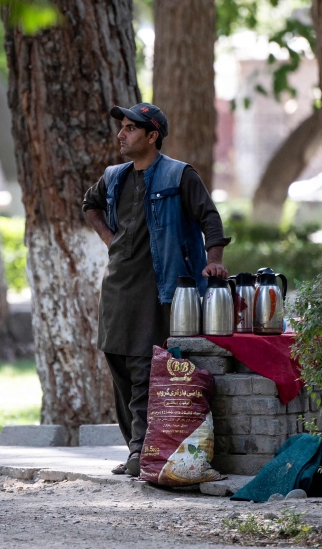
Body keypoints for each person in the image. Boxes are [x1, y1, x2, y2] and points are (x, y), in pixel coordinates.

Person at [82, 102, 230, 476]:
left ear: (152, 136)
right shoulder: (114, 176)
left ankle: (141, 453)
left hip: (161, 287)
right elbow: (90, 204)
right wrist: (110, 239)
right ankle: (136, 447)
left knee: (145, 366)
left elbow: (209, 218)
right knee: (115, 358)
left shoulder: (180, 175)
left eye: (131, 128)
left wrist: (214, 259)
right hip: (118, 285)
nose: (121, 134)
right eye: (122, 127)